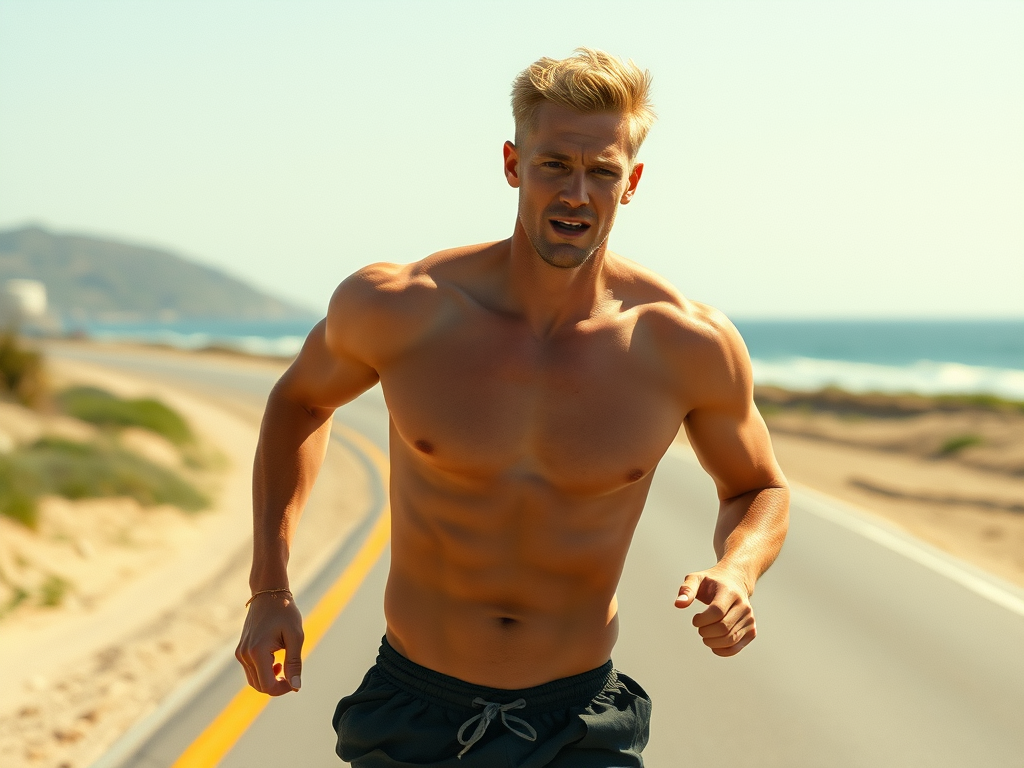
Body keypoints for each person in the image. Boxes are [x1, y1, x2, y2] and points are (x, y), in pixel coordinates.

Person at [235, 48, 789, 767]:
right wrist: (269, 588)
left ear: (632, 183)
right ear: (512, 164)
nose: (576, 194)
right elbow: (301, 401)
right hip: (413, 710)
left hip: (579, 726)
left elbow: (758, 487)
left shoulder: (685, 343)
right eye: (555, 164)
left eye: (602, 172)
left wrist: (739, 569)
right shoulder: (403, 307)